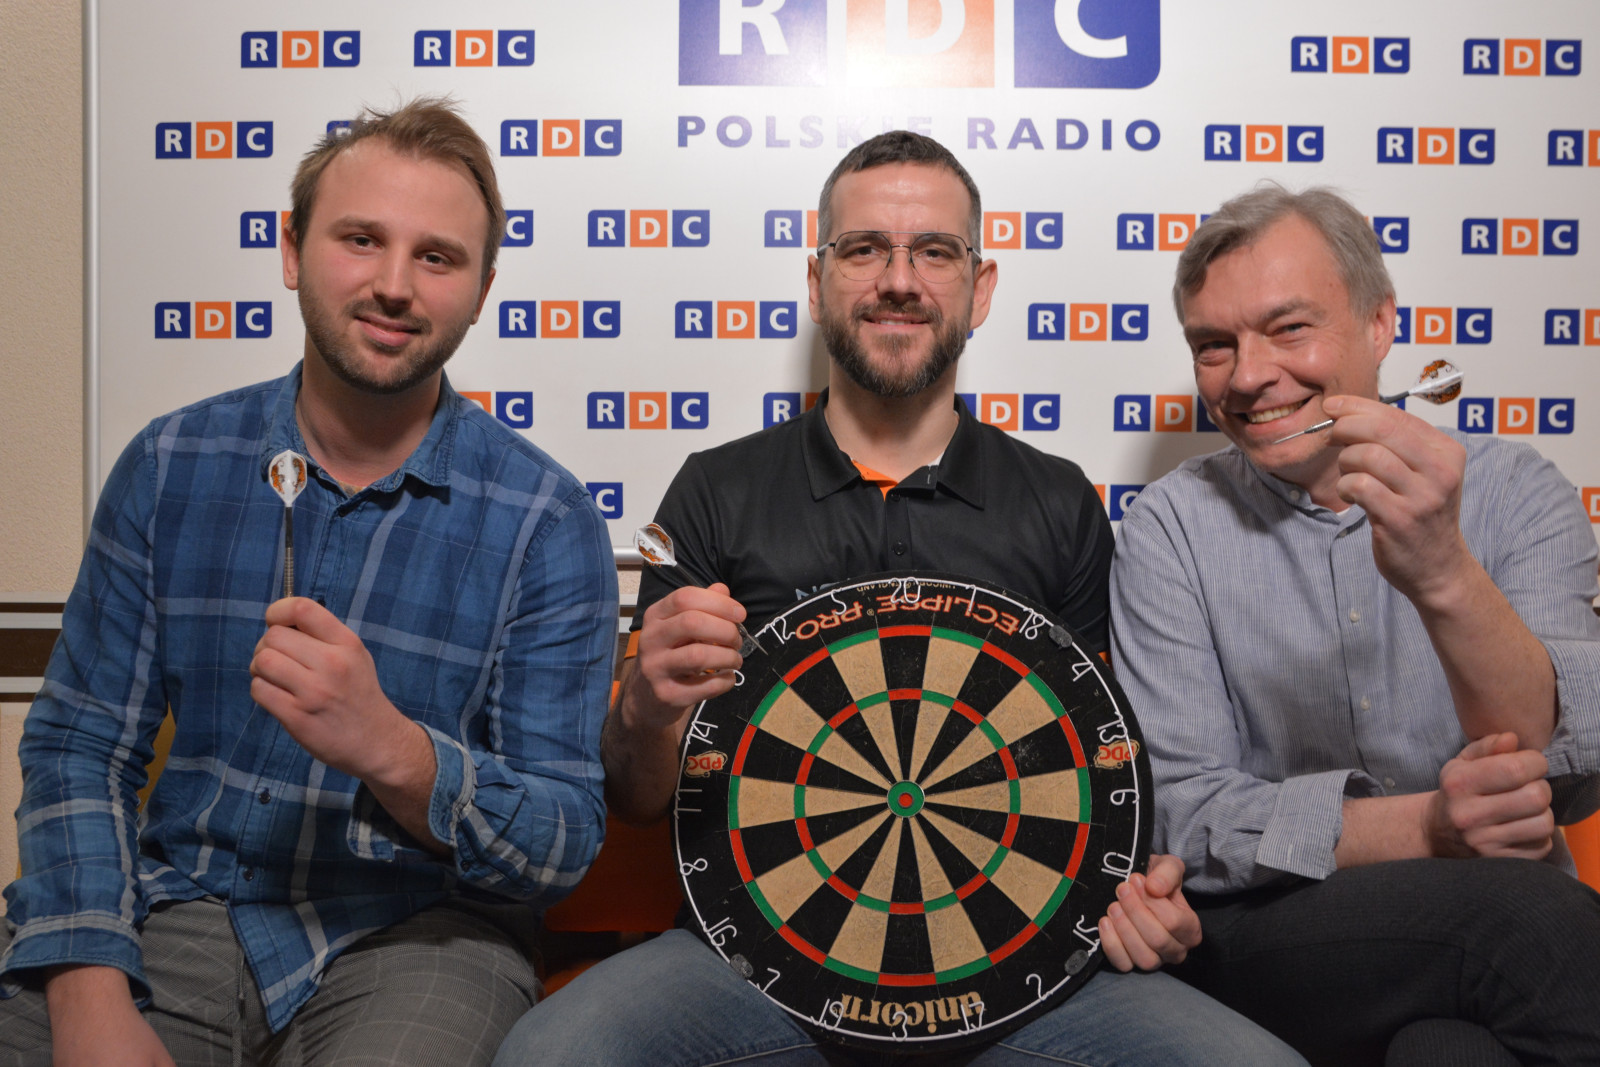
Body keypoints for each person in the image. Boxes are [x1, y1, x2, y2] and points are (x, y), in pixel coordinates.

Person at [494, 132, 1302, 1066]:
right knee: (551, 1055)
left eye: (935, 252)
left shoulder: (1056, 501)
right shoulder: (717, 491)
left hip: (1020, 979)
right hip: (752, 964)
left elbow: (1105, 777)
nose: (899, 280)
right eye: (864, 248)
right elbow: (641, 799)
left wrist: (1144, 893)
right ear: (817, 280)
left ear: (980, 288)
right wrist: (644, 706)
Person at [0, 98, 617, 1066]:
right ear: (292, 250)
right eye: (360, 239)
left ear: (481, 290)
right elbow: (80, 747)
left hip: (421, 934)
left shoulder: (547, 518)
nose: (393, 285)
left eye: (437, 257)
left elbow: (563, 839)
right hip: (182, 906)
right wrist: (87, 990)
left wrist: (398, 751)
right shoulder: (170, 464)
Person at [1109, 184, 1600, 1065]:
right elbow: (1182, 811)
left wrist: (1443, 572)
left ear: (1379, 325)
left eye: (1289, 328)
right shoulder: (1170, 528)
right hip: (1282, 936)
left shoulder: (1516, 491)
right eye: (1214, 345)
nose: (1248, 375)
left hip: (1499, 948)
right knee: (1529, 921)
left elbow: (1570, 764)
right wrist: (1429, 827)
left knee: (1447, 1051)